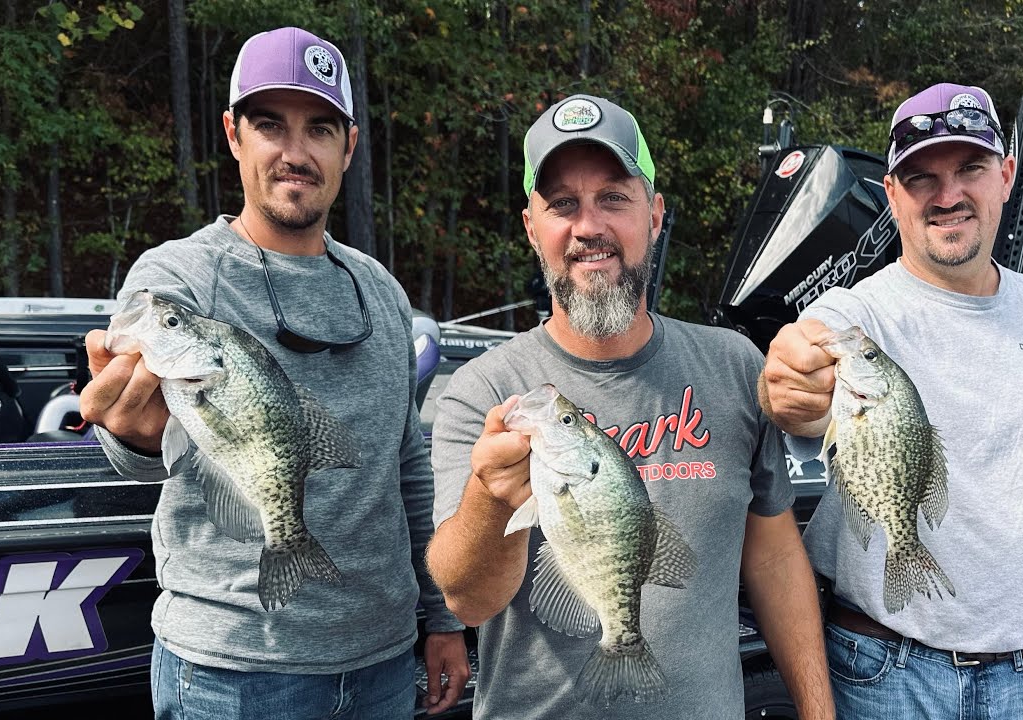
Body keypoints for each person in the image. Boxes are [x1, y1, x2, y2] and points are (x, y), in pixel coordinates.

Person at [78, 26, 470, 719]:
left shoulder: (380, 290)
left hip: (381, 662)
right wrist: (131, 437)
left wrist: (440, 618)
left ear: (348, 146)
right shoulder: (177, 280)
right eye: (271, 126)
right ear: (234, 135)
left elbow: (405, 464)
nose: (295, 153)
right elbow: (139, 458)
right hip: (233, 674)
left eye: (319, 129)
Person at [425, 94, 835, 719]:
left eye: (614, 197)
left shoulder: (733, 367)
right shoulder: (484, 390)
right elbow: (467, 601)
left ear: (655, 214)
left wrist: (817, 712)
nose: (589, 226)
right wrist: (489, 498)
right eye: (563, 204)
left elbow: (774, 555)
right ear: (532, 227)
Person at [758, 82, 1023, 719]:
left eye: (969, 168)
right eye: (920, 178)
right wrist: (786, 380)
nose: (946, 196)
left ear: (1007, 176)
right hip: (884, 674)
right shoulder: (860, 317)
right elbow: (791, 381)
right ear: (891, 195)